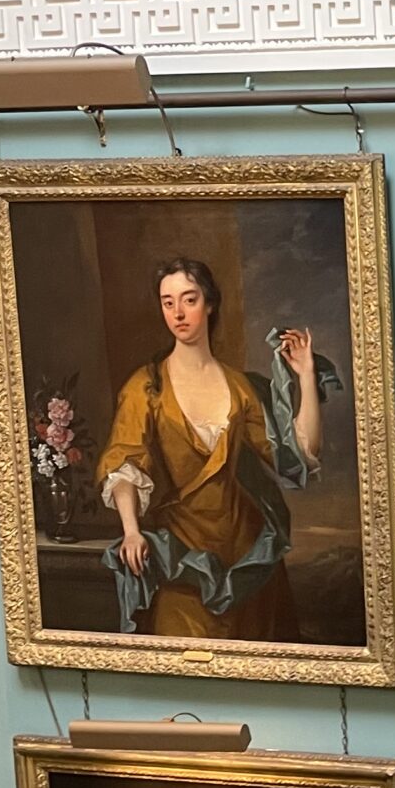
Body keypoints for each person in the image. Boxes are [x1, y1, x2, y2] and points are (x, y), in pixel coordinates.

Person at [96, 257, 335, 641]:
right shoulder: (146, 387)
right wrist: (130, 531)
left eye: (189, 300)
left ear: (209, 304)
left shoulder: (239, 387)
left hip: (249, 558)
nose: (177, 313)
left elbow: (298, 454)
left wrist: (305, 375)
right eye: (167, 302)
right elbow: (124, 463)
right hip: (185, 556)